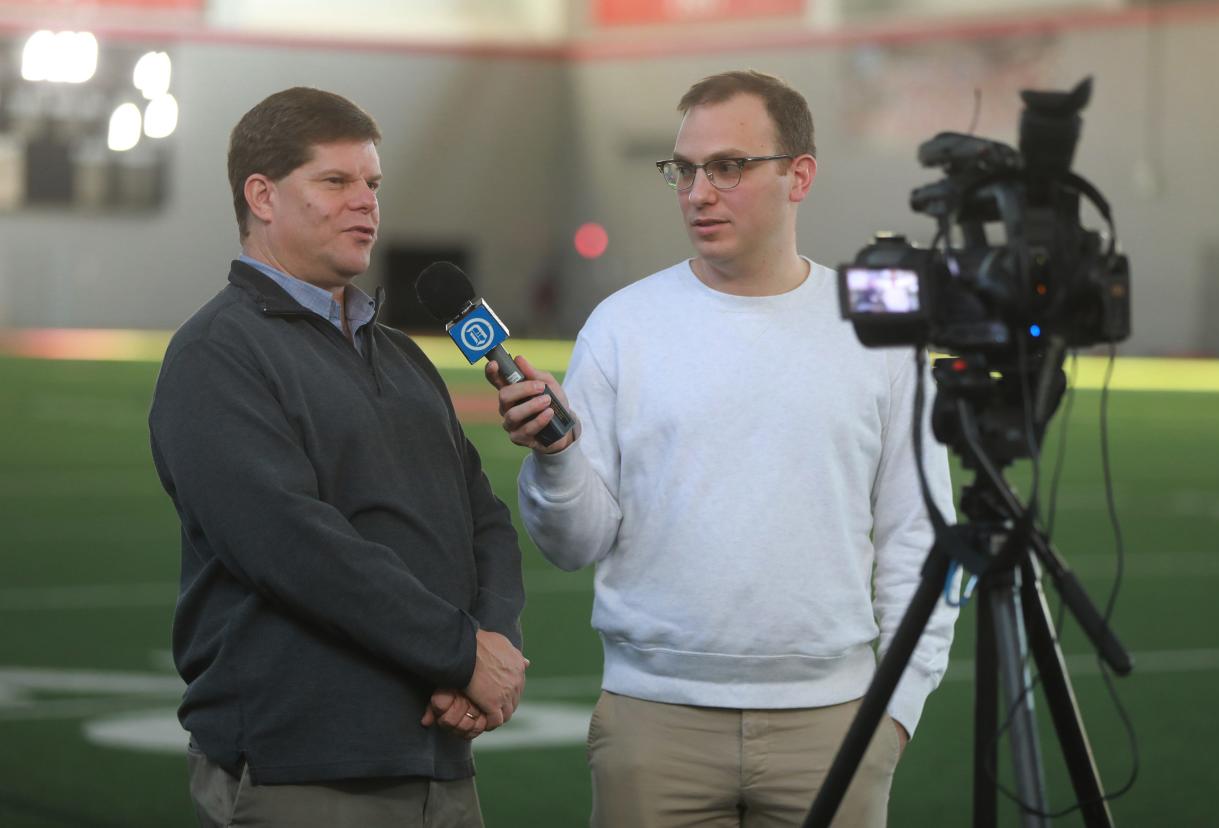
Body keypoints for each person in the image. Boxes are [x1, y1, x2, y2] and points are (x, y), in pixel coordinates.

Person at [489, 70, 958, 827]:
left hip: (836, 723)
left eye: (729, 167)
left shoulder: (878, 334)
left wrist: (896, 712)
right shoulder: (621, 326)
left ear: (799, 175)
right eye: (686, 169)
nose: (699, 192)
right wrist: (554, 458)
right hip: (652, 720)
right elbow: (573, 546)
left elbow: (922, 538)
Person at [149, 87, 527, 828]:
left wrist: (496, 645)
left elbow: (483, 519)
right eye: (336, 182)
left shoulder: (402, 355)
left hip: (440, 760)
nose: (366, 204)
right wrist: (459, 654)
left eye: (373, 185)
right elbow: (293, 546)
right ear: (262, 195)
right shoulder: (217, 354)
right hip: (305, 769)